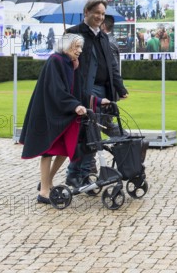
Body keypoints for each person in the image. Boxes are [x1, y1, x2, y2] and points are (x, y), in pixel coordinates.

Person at [20, 34, 110, 203]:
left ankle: (46, 181)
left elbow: (79, 92)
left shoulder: (72, 64)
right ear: (66, 47)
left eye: (80, 47)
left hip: (62, 114)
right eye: (76, 47)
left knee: (64, 150)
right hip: (48, 113)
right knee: (47, 152)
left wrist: (98, 101)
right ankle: (44, 192)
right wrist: (74, 106)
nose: (80, 51)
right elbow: (56, 90)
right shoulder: (55, 61)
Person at [65, 0, 129, 189]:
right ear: (86, 12)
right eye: (97, 13)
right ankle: (79, 174)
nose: (100, 17)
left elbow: (111, 66)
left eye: (102, 14)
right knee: (87, 131)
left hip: (103, 89)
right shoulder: (74, 33)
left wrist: (120, 88)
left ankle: (82, 174)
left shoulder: (103, 37)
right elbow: (62, 61)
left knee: (91, 132)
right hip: (83, 90)